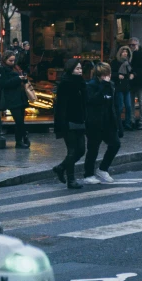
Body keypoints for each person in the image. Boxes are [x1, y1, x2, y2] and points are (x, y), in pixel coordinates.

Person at [83, 62, 123, 184]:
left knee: (115, 144)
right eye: (106, 74)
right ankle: (88, 174)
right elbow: (93, 100)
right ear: (100, 75)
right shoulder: (91, 85)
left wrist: (118, 125)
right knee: (93, 148)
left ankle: (103, 169)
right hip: (94, 123)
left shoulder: (111, 85)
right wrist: (103, 87)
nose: (108, 76)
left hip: (108, 122)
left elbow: (113, 106)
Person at [53, 59, 87, 189]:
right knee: (72, 151)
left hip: (80, 121)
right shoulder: (65, 84)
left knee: (81, 150)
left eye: (80, 68)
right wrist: (61, 124)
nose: (80, 71)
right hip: (68, 122)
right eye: (77, 68)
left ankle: (61, 168)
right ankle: (71, 179)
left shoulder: (82, 83)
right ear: (71, 69)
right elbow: (61, 106)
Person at [0, 50, 30, 148]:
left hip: (21, 96)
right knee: (19, 120)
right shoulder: (3, 69)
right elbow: (3, 84)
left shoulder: (16, 68)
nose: (12, 62)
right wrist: (18, 79)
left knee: (21, 120)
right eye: (10, 61)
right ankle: (21, 139)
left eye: (13, 60)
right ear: (5, 60)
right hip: (12, 98)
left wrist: (24, 79)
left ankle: (21, 139)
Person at [111, 45, 133, 131]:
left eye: (126, 52)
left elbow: (132, 71)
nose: (125, 53)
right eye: (123, 52)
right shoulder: (115, 62)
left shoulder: (129, 62)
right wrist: (118, 75)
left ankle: (127, 123)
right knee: (119, 107)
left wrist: (133, 74)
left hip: (126, 87)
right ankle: (118, 124)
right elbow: (111, 73)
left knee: (128, 106)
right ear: (120, 53)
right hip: (118, 87)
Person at [128, 37, 142, 129]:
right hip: (131, 81)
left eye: (133, 44)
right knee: (131, 102)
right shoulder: (128, 54)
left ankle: (141, 121)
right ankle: (132, 120)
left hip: (140, 80)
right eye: (130, 45)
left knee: (141, 101)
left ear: (138, 45)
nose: (132, 46)